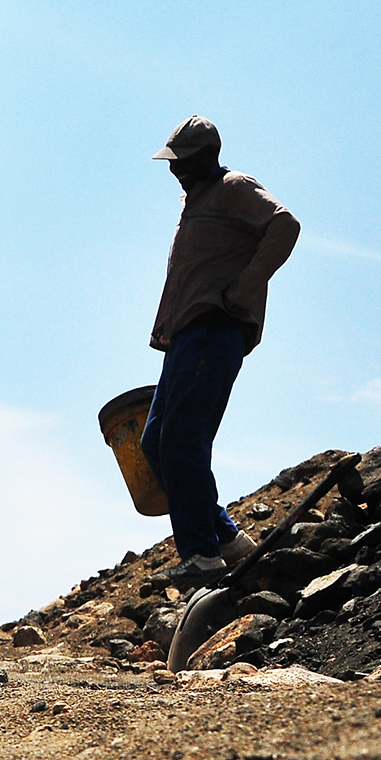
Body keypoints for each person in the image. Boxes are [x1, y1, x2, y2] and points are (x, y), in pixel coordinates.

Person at [141, 116, 299, 587]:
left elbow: (284, 225)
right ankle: (226, 540)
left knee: (182, 439)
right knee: (156, 442)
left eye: (182, 162)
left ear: (207, 156)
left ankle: (202, 555)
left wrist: (243, 290)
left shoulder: (233, 186)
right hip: (187, 336)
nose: (175, 170)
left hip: (215, 328)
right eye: (172, 163)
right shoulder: (196, 201)